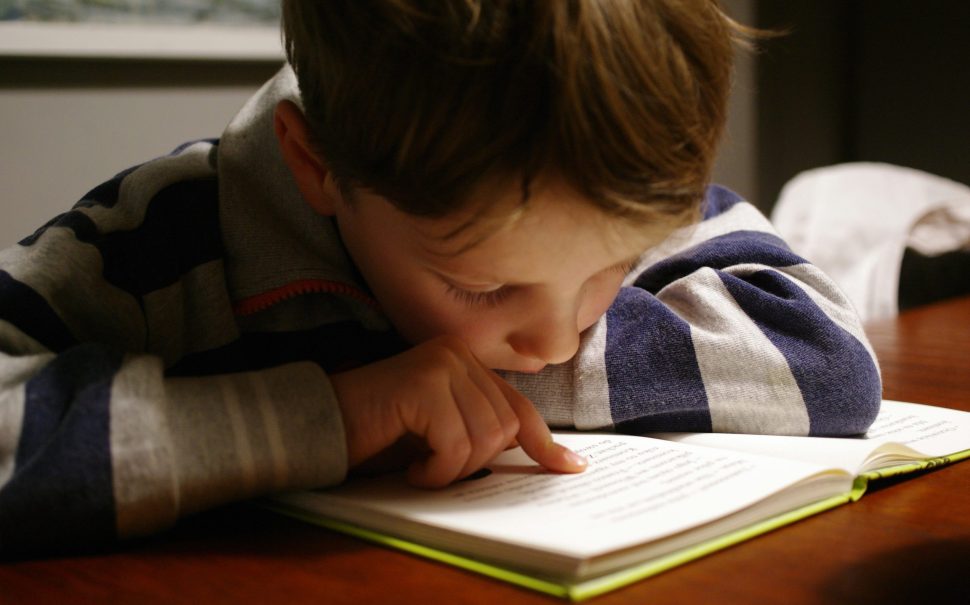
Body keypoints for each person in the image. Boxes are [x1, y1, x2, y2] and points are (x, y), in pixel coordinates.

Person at [0, 0, 881, 557]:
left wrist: (491, 377)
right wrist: (331, 413)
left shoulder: (602, 177)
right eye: (485, 287)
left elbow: (827, 359)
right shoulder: (150, 243)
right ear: (317, 169)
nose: (557, 336)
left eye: (612, 267)